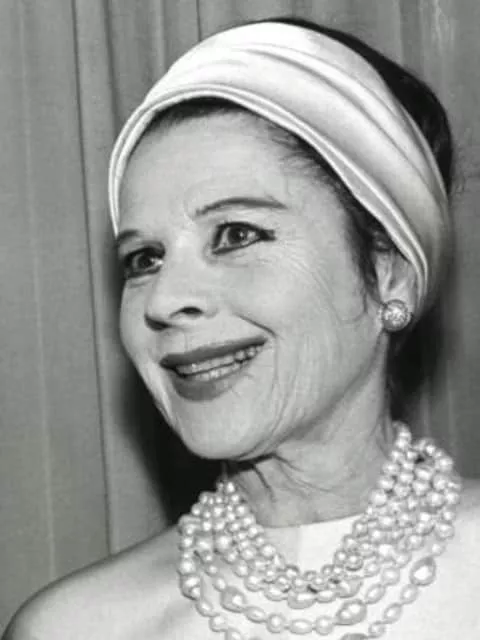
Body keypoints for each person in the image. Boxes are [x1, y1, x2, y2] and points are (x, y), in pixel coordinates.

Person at [4, 16, 480, 640]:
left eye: (235, 234)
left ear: (390, 273)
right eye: (144, 259)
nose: (164, 299)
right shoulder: (73, 629)